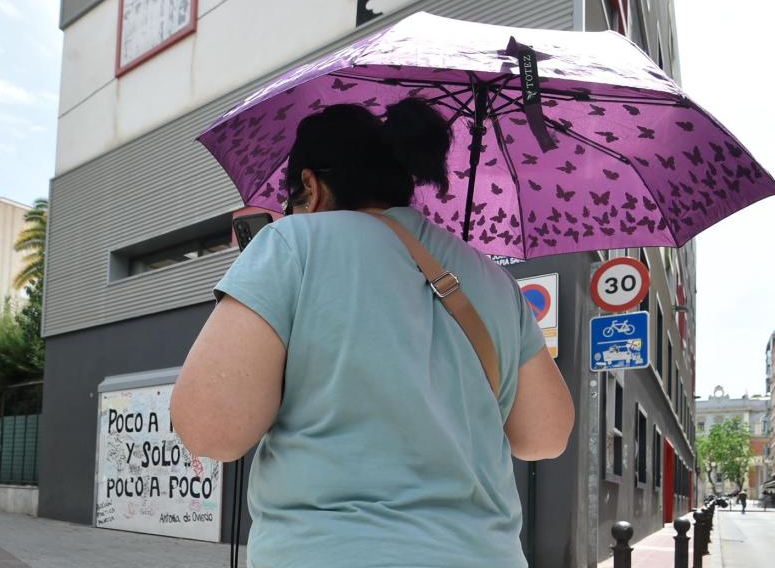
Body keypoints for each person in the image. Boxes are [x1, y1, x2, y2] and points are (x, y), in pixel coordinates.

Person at [171, 99, 575, 567]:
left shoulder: (289, 244)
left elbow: (211, 431)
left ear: (310, 185)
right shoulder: (493, 280)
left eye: (292, 201)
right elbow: (545, 436)